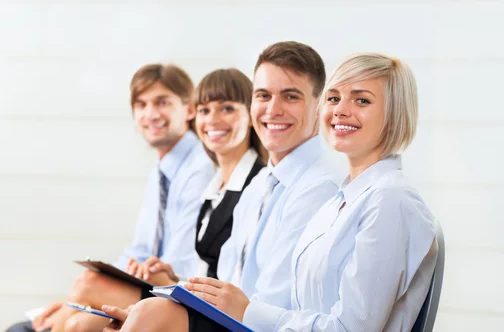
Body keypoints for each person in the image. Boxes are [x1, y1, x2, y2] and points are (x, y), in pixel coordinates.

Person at [116, 53, 439, 331]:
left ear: (396, 112)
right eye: (334, 97)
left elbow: (349, 328)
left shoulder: (391, 201)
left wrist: (244, 310)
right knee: (137, 316)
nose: (340, 109)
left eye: (362, 100)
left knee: (150, 316)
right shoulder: (343, 199)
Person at [101, 41, 342, 331]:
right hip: (233, 318)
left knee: (148, 314)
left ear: (320, 106)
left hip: (268, 326)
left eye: (291, 97)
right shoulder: (260, 186)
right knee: (132, 314)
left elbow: (271, 304)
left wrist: (165, 316)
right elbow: (227, 282)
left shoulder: (319, 188)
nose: (273, 109)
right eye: (263, 96)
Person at [6, 64, 215, 332]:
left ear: (189, 109)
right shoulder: (160, 171)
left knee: (85, 287)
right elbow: (139, 250)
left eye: (162, 102)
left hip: (178, 293)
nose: (150, 114)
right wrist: (75, 300)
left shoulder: (200, 168)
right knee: (77, 315)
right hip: (152, 286)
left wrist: (88, 290)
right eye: (141, 104)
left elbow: (180, 263)